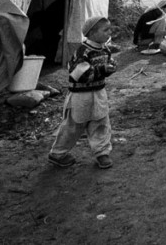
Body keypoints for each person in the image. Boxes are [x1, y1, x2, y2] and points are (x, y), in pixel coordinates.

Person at [48, 16, 116, 169]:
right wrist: (102, 70)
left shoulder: (104, 49)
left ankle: (101, 152)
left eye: (109, 29)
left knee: (101, 121)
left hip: (98, 92)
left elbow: (105, 66)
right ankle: (58, 153)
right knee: (73, 125)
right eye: (106, 30)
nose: (109, 32)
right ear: (91, 33)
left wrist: (110, 67)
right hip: (81, 96)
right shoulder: (82, 51)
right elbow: (79, 75)